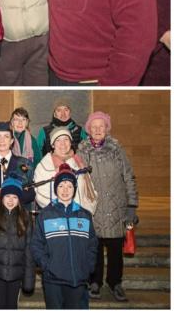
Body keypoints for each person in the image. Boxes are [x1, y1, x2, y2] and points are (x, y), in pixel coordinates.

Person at [78, 112, 138, 302]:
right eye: (93, 126)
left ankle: (115, 282)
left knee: (114, 250)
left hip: (115, 208)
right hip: (93, 209)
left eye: (101, 126)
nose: (97, 129)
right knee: (94, 249)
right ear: (88, 130)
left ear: (106, 129)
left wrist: (132, 205)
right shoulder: (82, 151)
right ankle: (95, 282)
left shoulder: (117, 150)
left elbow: (128, 177)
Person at [31, 163, 98, 309]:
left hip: (78, 279)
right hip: (53, 280)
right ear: (56, 189)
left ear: (74, 189)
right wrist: (47, 266)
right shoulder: (45, 215)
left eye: (69, 186)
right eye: (61, 186)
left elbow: (92, 245)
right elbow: (36, 245)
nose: (65, 190)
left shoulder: (84, 215)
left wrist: (88, 267)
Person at [0, 177, 35, 308]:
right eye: (7, 196)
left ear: (19, 200)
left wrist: (28, 279)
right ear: (1, 198)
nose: (11, 200)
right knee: (0, 306)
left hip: (16, 274)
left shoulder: (25, 218)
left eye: (15, 197)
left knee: (12, 306)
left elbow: (29, 250)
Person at [0, 121, 35, 220]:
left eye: (6, 136)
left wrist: (7, 193)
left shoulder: (24, 164)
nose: (2, 140)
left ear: (12, 140)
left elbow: (30, 194)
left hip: (17, 219)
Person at [33, 127, 97, 214]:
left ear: (70, 143)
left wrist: (86, 212)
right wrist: (62, 212)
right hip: (56, 218)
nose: (63, 144)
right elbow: (40, 195)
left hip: (80, 219)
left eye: (66, 139)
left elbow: (90, 191)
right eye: (58, 140)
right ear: (52, 145)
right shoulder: (44, 166)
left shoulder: (79, 163)